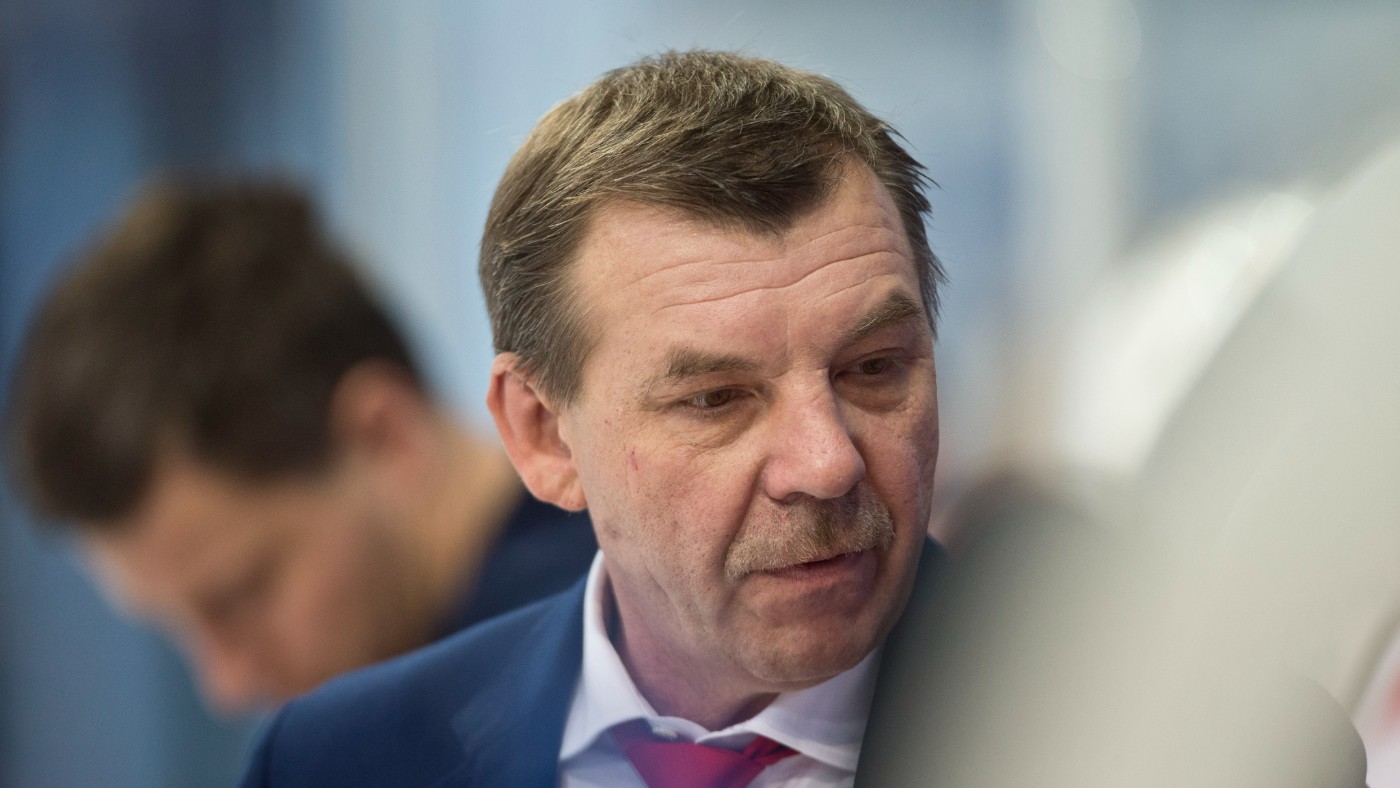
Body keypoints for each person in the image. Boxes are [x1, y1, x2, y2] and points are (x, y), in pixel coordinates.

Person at [239, 50, 945, 787]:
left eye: (874, 367)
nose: (828, 463)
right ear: (545, 436)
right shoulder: (337, 761)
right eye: (715, 399)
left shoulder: (1033, 716)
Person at [4, 179, 597, 715]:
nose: (227, 684)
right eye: (180, 626)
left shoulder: (581, 676)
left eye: (240, 596)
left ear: (385, 438)